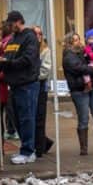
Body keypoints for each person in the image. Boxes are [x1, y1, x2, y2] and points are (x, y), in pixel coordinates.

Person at [0, 11, 41, 165]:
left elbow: (28, 59)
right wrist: (0, 61)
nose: (9, 26)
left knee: (27, 118)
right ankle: (26, 148)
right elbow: (9, 57)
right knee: (17, 119)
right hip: (15, 85)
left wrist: (7, 63)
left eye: (11, 24)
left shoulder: (29, 37)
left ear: (18, 22)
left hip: (27, 84)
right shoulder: (13, 39)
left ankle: (28, 151)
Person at [61, 32, 93, 155]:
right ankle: (84, 149)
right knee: (83, 118)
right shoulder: (68, 56)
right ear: (69, 43)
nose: (78, 42)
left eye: (78, 39)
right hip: (79, 90)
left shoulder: (83, 52)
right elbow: (80, 68)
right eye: (75, 40)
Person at [32, 25, 54, 158]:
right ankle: (42, 142)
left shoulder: (45, 50)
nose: (38, 37)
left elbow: (45, 71)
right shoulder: (28, 49)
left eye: (40, 34)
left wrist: (32, 75)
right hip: (29, 85)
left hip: (40, 85)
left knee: (39, 117)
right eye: (35, 34)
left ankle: (39, 147)